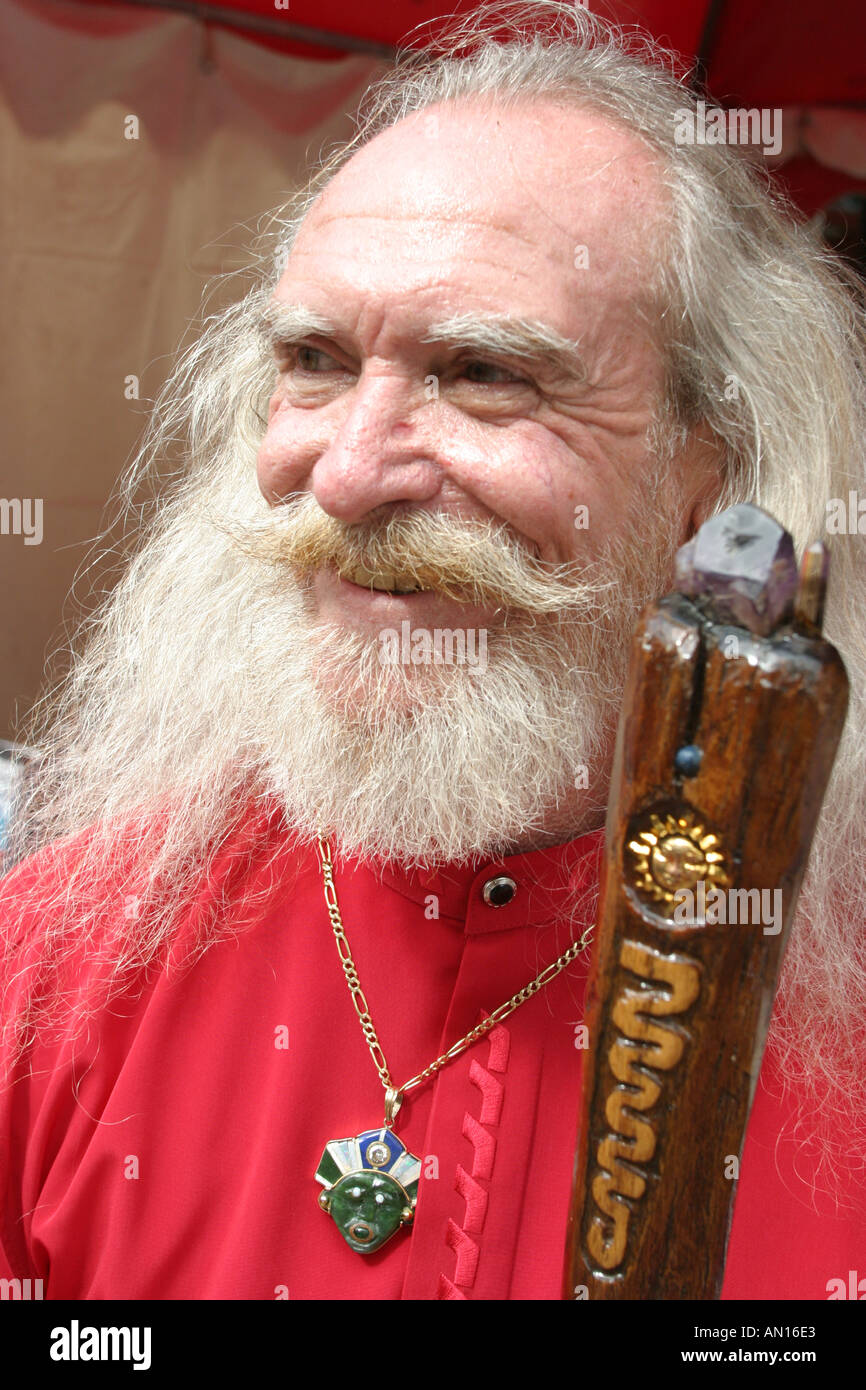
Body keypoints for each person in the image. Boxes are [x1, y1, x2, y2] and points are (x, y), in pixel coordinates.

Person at [2, 3, 865, 1301]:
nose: (345, 478)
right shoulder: (57, 963)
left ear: (714, 475)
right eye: (312, 361)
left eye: (481, 372)